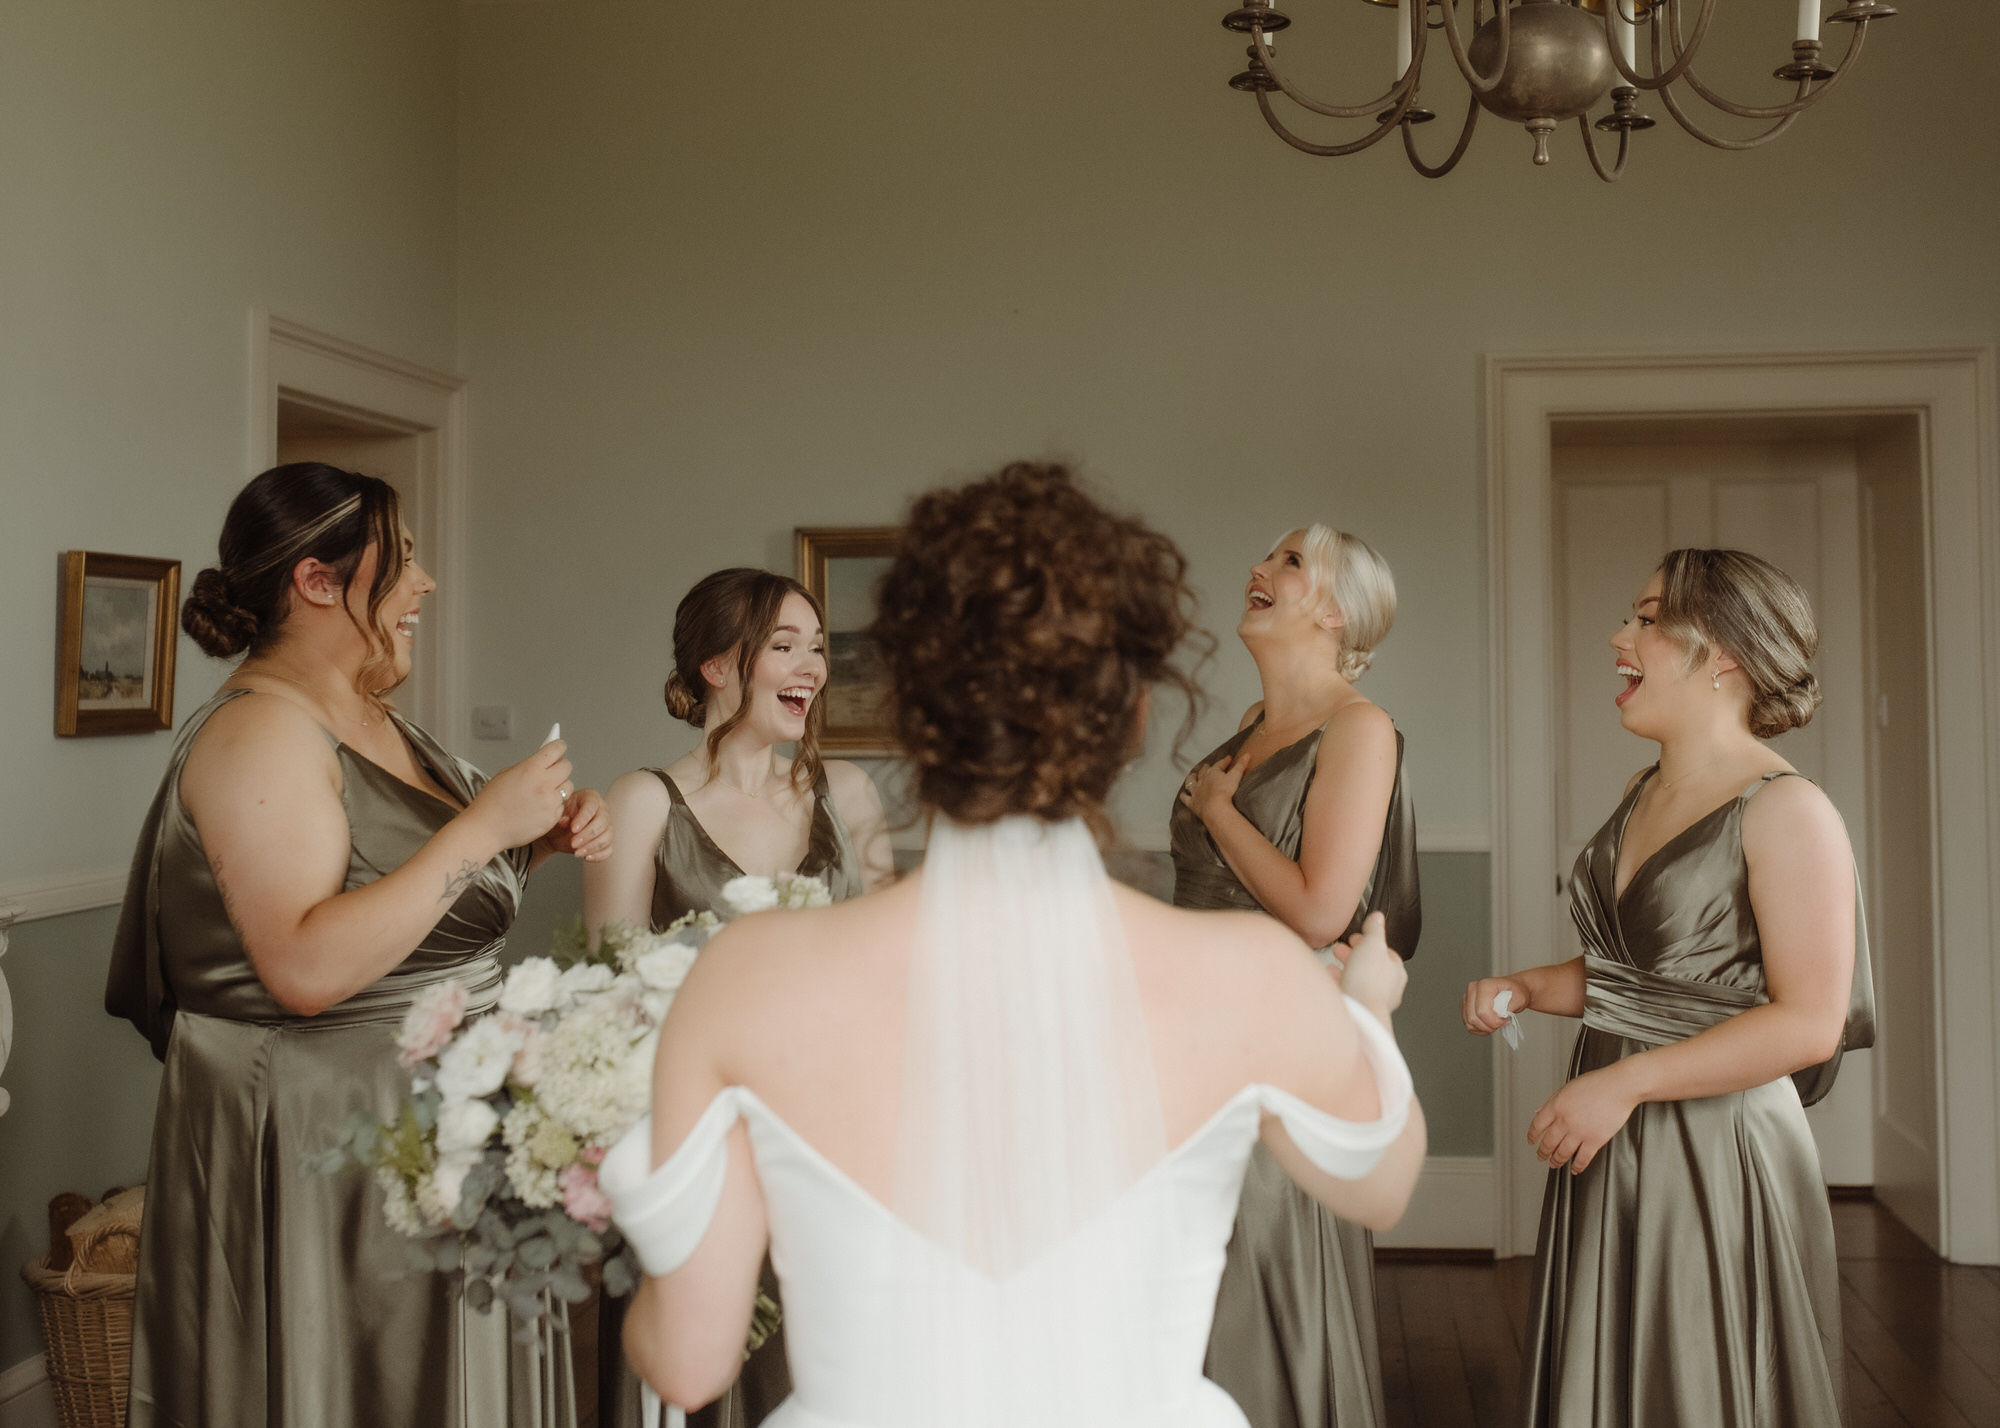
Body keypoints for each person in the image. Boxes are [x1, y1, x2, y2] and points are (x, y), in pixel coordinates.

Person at [603, 461, 1427, 1428]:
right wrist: (1365, 1003)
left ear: (913, 715)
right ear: (1132, 718)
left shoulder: (749, 978)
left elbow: (690, 1363)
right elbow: (1383, 1187)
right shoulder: (1255, 978)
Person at [106, 462, 613, 1428]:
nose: (425, 584)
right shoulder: (262, 733)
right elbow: (303, 966)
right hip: (332, 1139)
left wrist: (529, 840)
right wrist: (479, 828)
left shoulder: (374, 717)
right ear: (317, 581)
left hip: (434, 1122)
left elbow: (410, 924)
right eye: (405, 560)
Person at [1462, 549, 1872, 1428]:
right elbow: (1648, 980)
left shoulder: (1788, 811)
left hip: (1717, 1149)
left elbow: (1809, 1024)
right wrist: (1530, 985)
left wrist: (1623, 1083)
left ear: (1723, 651)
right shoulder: (1643, 791)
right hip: (1615, 1128)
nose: (1620, 636)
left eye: (1647, 619)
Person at [584, 567, 891, 1427]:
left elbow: (887, 978)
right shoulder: (644, 802)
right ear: (718, 666)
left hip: (833, 1143)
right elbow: (608, 995)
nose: (813, 667)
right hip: (699, 1144)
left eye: (819, 648)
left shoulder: (851, 796)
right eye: (786, 646)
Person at [1172, 523, 1418, 1428]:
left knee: (1261, 1250)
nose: (1258, 569)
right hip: (1196, 1028)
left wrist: (1220, 813)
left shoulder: (1361, 729)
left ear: (1334, 610)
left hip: (1279, 1028)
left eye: (1288, 561)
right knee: (1196, 1262)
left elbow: (1321, 910)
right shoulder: (1250, 725)